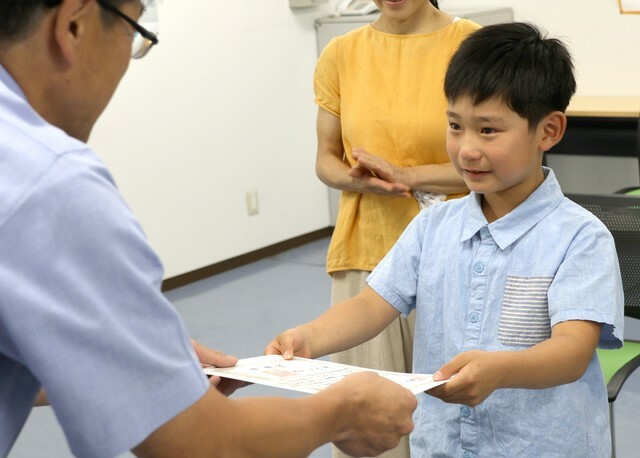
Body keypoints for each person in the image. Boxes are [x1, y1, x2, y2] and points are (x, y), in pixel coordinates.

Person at [0, 1, 417, 457]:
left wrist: (137, 361)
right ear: (73, 25)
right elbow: (205, 443)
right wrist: (341, 411)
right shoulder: (51, 183)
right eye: (133, 32)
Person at [268, 22, 625, 457]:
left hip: (539, 446)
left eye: (488, 130)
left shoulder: (580, 238)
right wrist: (311, 338)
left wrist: (499, 369)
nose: (466, 149)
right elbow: (371, 304)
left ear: (548, 131)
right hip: (444, 445)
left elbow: (571, 351)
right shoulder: (433, 225)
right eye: (455, 126)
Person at [315, 2, 479, 453]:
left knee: (453, 419)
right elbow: (325, 159)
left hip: (456, 254)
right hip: (365, 250)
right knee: (366, 425)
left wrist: (408, 176)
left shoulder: (469, 44)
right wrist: (358, 179)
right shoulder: (341, 52)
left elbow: (495, 158)